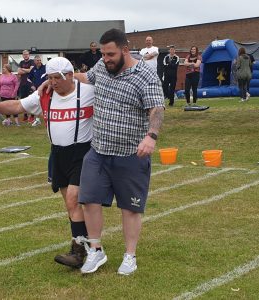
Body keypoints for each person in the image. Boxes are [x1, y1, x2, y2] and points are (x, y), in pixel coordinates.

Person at [0, 57, 95, 269]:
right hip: (58, 154)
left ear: (69, 75)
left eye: (56, 78)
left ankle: (79, 251)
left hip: (82, 153)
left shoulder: (89, 91)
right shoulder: (46, 94)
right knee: (70, 205)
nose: (53, 82)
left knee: (73, 200)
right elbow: (17, 105)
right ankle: (86, 243)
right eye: (49, 78)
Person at [74, 28, 164, 275]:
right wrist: (63, 77)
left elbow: (156, 108)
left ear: (125, 50)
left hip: (131, 155)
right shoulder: (102, 67)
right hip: (98, 151)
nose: (106, 58)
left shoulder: (145, 75)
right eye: (103, 54)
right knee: (89, 200)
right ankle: (96, 250)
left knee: (130, 208)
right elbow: (87, 78)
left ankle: (129, 256)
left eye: (110, 53)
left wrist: (151, 137)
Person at [26, 55, 46, 127]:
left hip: (45, 90)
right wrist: (32, 85)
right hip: (37, 91)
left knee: (44, 104)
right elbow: (28, 79)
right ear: (34, 62)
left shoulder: (45, 68)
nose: (39, 62)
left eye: (40, 60)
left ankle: (41, 119)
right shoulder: (33, 69)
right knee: (37, 104)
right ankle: (37, 119)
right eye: (37, 60)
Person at [17, 50, 35, 123]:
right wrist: (26, 70)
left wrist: (23, 69)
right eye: (24, 54)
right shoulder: (21, 62)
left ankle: (32, 116)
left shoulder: (32, 61)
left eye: (27, 54)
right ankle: (25, 116)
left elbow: (31, 70)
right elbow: (19, 72)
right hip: (23, 84)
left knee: (31, 100)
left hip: (30, 84)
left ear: (29, 55)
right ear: (22, 55)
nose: (25, 55)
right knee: (23, 100)